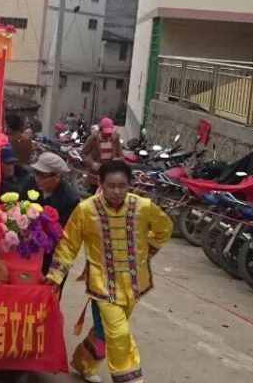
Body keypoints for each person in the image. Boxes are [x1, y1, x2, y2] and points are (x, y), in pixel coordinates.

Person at [46, 161, 173, 383]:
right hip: (102, 285)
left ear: (130, 185)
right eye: (111, 186)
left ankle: (82, 362)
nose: (116, 191)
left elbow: (165, 228)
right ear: (101, 185)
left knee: (105, 333)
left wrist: (147, 251)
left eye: (122, 186)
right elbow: (68, 245)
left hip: (134, 284)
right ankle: (130, 379)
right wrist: (55, 276)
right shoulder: (86, 210)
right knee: (119, 333)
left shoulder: (143, 206)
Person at [33, 152, 79, 278]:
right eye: (36, 173)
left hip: (53, 256)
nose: (37, 178)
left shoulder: (70, 200)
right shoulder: (30, 185)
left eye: (42, 175)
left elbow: (64, 238)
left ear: (57, 176)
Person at [83, 117, 123, 191]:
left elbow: (121, 156)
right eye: (106, 133)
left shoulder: (115, 139)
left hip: (110, 176)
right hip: (95, 176)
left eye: (110, 133)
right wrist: (92, 164)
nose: (108, 135)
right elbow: (84, 154)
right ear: (101, 130)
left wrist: (116, 161)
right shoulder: (92, 139)